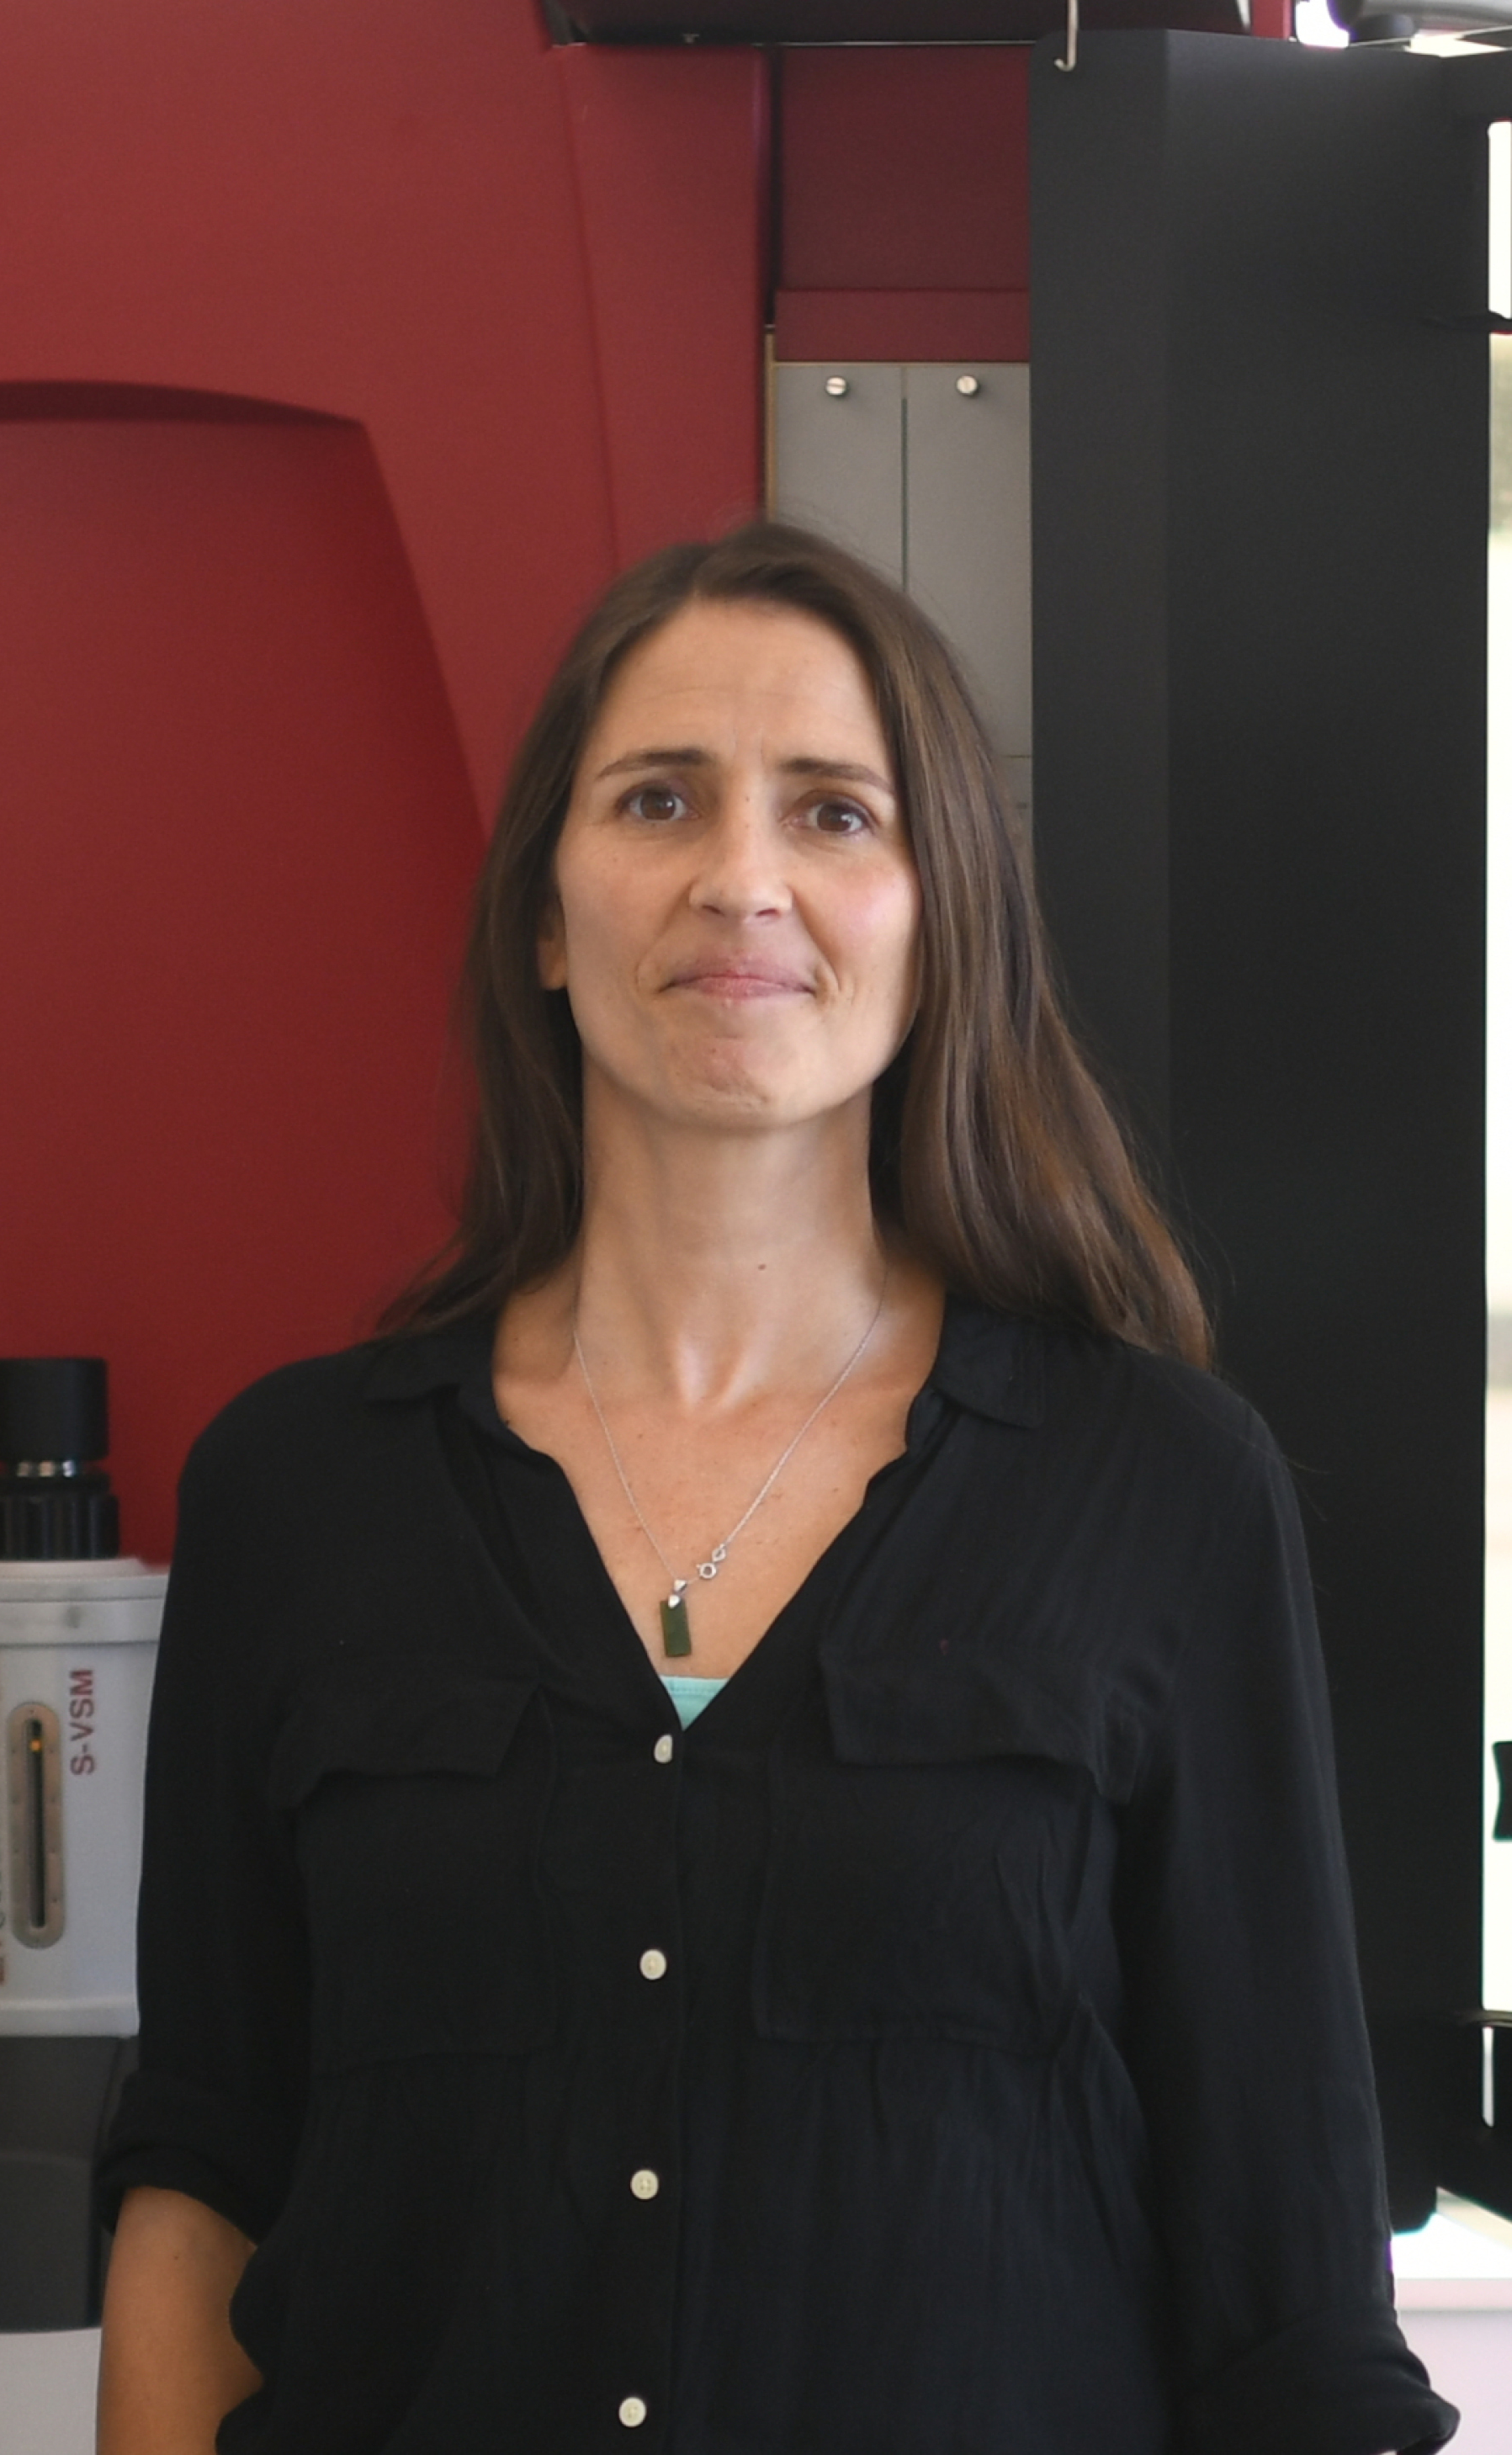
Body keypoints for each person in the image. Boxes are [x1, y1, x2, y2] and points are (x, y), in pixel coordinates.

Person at [92, 523, 1456, 2454]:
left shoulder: (1159, 1490)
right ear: (546, 921)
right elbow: (204, 2168)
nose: (741, 879)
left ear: (934, 918)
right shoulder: (296, 1490)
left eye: (832, 813)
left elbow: (1286, 2287)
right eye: (659, 800)